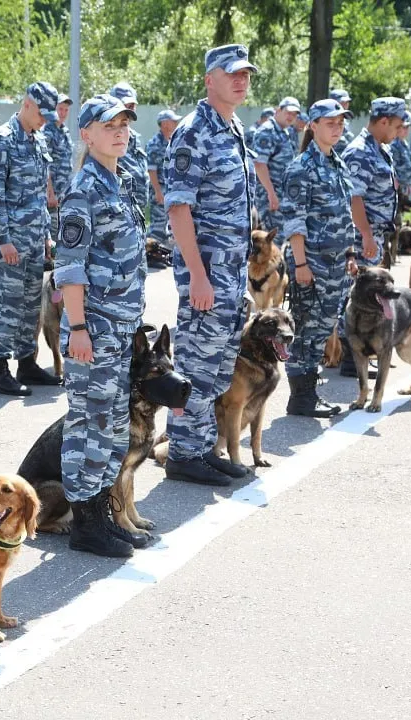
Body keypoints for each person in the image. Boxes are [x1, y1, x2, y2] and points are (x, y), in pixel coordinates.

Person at [56, 93, 148, 558]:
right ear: (86, 134)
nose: (119, 131)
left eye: (124, 124)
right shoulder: (83, 190)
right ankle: (86, 523)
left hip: (118, 331)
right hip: (91, 331)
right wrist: (77, 329)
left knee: (112, 426)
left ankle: (103, 514)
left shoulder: (122, 181)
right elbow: (69, 268)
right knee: (87, 425)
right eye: (108, 125)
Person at [162, 43, 256, 488]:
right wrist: (198, 276)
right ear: (209, 79)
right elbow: (178, 210)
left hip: (231, 273)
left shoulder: (233, 127)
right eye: (232, 73)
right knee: (197, 364)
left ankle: (201, 448)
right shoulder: (194, 131)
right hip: (206, 275)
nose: (241, 80)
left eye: (245, 74)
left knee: (217, 367)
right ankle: (183, 451)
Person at [280, 98, 358, 417]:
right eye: (330, 122)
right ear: (313, 126)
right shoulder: (301, 167)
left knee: (323, 327)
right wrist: (300, 264)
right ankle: (301, 396)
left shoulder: (336, 162)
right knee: (306, 329)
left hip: (336, 264)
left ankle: (309, 391)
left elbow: (345, 213)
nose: (337, 128)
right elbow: (295, 220)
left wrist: (350, 253)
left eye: (340, 122)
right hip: (311, 263)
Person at [0, 81, 61, 395]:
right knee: (7, 304)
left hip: (33, 239)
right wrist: (3, 239)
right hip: (12, 240)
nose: (45, 119)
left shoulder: (37, 140)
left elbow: (39, 194)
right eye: (42, 112)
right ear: (28, 104)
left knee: (31, 304)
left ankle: (27, 363)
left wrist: (46, 235)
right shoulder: (2, 140)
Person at [337, 97, 406, 377]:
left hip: (375, 234)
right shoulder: (360, 152)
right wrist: (365, 236)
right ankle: (351, 359)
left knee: (369, 298)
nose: (400, 130)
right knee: (354, 297)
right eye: (398, 124)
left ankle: (361, 355)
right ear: (383, 121)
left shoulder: (379, 149)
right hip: (361, 235)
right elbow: (355, 198)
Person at [252, 95, 301, 233]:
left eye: (295, 114)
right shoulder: (268, 131)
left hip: (281, 195)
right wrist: (271, 194)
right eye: (288, 112)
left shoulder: (285, 131)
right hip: (269, 196)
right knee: (273, 237)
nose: (291, 116)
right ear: (278, 110)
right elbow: (260, 165)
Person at [111, 82, 150, 210]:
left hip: (138, 208)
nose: (130, 108)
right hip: (119, 209)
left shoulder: (135, 137)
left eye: (132, 105)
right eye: (126, 105)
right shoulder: (107, 136)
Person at [44, 93, 74, 251]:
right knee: (52, 230)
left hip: (64, 192)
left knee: (62, 231)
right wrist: (50, 192)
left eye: (66, 110)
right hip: (52, 192)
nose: (63, 113)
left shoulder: (64, 131)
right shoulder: (48, 131)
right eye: (60, 109)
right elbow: (45, 164)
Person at [146, 109, 180, 244]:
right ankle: (154, 255)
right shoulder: (155, 143)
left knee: (173, 225)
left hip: (173, 189)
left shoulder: (175, 140)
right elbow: (152, 170)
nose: (177, 123)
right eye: (174, 121)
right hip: (160, 189)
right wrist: (158, 191)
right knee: (158, 225)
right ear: (165, 124)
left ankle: (165, 253)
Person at [391, 112, 411, 200]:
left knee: (401, 213)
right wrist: (396, 184)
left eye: (408, 127)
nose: (406, 130)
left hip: (404, 186)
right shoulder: (394, 145)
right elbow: (392, 167)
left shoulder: (404, 143)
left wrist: (408, 184)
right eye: (404, 127)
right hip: (396, 187)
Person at [329, 88, 354, 153]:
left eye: (347, 102)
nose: (345, 105)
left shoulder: (345, 122)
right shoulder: (324, 121)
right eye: (342, 102)